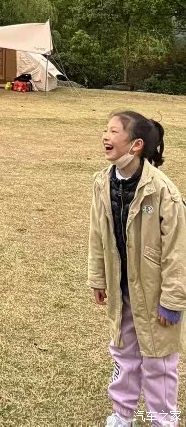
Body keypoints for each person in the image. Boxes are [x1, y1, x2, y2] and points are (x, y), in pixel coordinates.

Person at [88, 112, 186, 427]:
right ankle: (122, 416)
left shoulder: (162, 191)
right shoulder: (102, 183)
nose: (105, 136)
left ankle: (163, 421)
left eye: (114, 131)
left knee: (159, 363)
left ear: (136, 145)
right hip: (122, 290)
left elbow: (178, 251)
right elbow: (97, 234)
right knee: (124, 354)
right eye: (105, 130)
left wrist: (172, 301)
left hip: (156, 295)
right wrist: (99, 278)